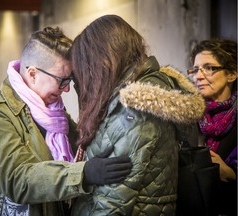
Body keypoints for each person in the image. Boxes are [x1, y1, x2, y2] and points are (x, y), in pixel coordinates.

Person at [0, 26, 132, 216]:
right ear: (32, 74)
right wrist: (83, 174)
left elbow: (79, 145)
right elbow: (17, 181)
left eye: (69, 81)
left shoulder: (53, 111)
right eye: (61, 80)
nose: (66, 90)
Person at [70, 14, 205, 215]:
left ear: (105, 60)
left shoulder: (135, 109)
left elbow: (112, 205)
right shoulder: (140, 96)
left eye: (86, 67)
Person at [188, 39, 237, 216]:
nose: (198, 76)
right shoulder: (186, 118)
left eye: (209, 68)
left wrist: (232, 174)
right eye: (195, 70)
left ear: (231, 74)